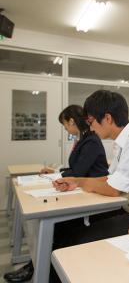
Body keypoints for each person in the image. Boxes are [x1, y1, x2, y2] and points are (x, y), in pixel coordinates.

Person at [50, 90, 129, 282]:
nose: (90, 128)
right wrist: (77, 182)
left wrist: (80, 181)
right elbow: (110, 179)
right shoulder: (122, 141)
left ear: (107, 118)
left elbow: (114, 189)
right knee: (63, 227)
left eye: (91, 122)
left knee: (73, 241)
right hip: (127, 209)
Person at [3, 105, 109, 283]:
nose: (65, 128)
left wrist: (59, 174)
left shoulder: (90, 141)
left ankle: (39, 267)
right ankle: (36, 265)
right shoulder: (83, 139)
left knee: (58, 225)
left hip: (94, 194)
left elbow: (79, 171)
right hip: (83, 190)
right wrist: (56, 172)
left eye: (65, 124)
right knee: (52, 222)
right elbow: (75, 170)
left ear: (72, 121)